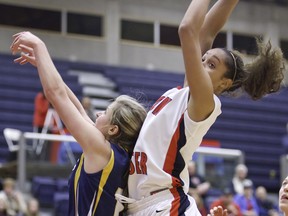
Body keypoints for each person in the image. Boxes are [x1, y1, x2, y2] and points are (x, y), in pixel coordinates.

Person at [126, 0, 285, 215]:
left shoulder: (203, 102)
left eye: (211, 65)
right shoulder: (185, 94)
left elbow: (187, 30)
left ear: (224, 84)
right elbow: (206, 31)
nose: (201, 64)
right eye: (203, 58)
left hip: (165, 205)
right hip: (147, 203)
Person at [10, 32, 147, 216]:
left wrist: (39, 45)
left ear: (113, 129)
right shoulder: (114, 153)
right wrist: (43, 63)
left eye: (105, 112)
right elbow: (78, 108)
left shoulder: (102, 149)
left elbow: (55, 94)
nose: (98, 112)